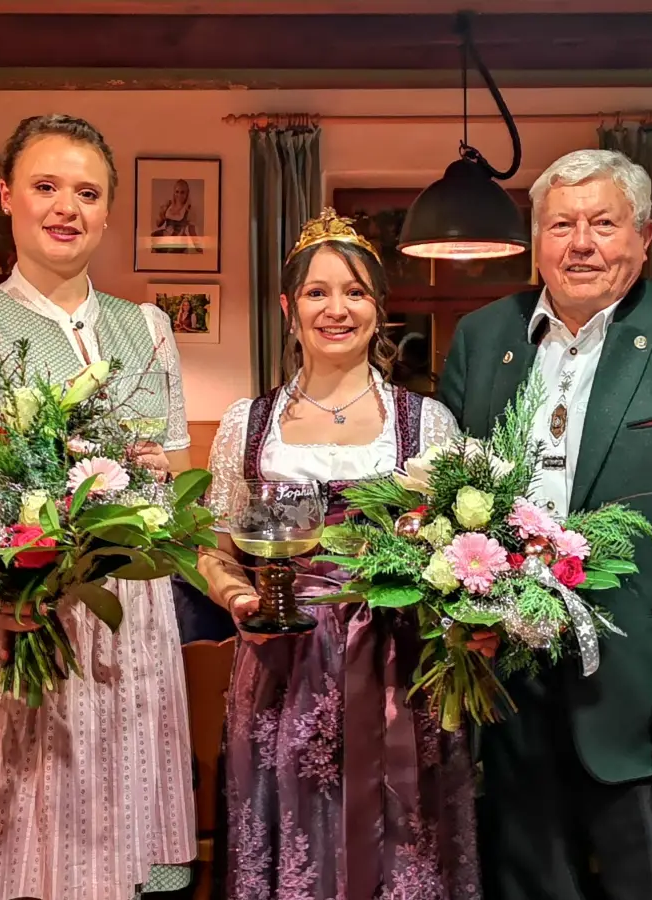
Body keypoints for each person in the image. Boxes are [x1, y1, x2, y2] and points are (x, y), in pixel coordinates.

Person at [438, 149, 652, 900]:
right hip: (512, 702)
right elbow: (454, 510)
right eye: (561, 225)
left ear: (643, 237)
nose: (581, 243)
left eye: (603, 223)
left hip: (647, 709)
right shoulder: (487, 337)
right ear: (537, 239)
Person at [0, 113, 195, 900]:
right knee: (20, 854)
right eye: (46, 186)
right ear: (7, 197)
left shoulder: (150, 328)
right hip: (17, 617)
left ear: (108, 211)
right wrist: (8, 576)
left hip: (130, 619)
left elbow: (172, 473)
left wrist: (151, 478)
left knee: (116, 847)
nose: (66, 206)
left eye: (87, 192)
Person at [199, 207, 487, 900]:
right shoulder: (248, 424)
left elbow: (462, 547)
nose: (337, 309)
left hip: (396, 666)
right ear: (288, 306)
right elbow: (212, 550)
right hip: (280, 666)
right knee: (289, 828)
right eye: (318, 292)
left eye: (355, 292)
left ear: (379, 309)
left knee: (399, 835)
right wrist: (240, 596)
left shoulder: (427, 424)